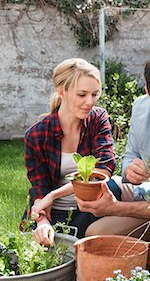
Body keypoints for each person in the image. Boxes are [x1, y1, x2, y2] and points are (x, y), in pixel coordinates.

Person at [32, 53, 150, 240]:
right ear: (148, 91)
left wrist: (116, 208)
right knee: (106, 191)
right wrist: (130, 169)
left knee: (95, 234)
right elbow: (129, 156)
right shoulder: (140, 108)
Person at [23, 58, 116, 245]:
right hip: (53, 211)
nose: (90, 102)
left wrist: (52, 195)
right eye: (82, 95)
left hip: (90, 208)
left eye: (94, 94)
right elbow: (39, 186)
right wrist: (42, 220)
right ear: (61, 92)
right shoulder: (37, 135)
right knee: (41, 255)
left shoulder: (98, 120)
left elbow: (104, 170)